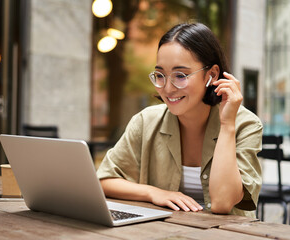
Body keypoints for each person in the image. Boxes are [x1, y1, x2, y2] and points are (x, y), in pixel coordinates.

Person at [96, 22, 262, 218]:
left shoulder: (245, 124)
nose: (167, 88)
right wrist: (154, 193)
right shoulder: (145, 121)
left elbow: (222, 203)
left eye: (180, 75)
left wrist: (227, 126)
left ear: (212, 75)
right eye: (160, 75)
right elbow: (103, 181)